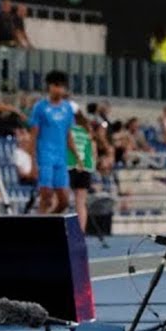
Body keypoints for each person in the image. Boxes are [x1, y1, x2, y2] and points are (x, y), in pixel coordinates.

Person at [28, 70, 78, 216]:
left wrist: (77, 156)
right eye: (56, 85)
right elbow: (33, 136)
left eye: (62, 86)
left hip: (61, 157)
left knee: (64, 200)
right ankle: (40, 229)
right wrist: (32, 162)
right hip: (45, 156)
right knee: (46, 196)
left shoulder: (68, 108)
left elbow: (68, 134)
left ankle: (50, 221)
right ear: (49, 87)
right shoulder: (40, 107)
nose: (59, 89)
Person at [67, 103, 96, 233]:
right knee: (81, 202)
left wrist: (78, 160)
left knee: (63, 198)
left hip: (71, 164)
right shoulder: (87, 129)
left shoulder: (67, 127)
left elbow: (70, 144)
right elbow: (93, 149)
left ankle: (63, 230)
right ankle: (81, 233)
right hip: (86, 167)